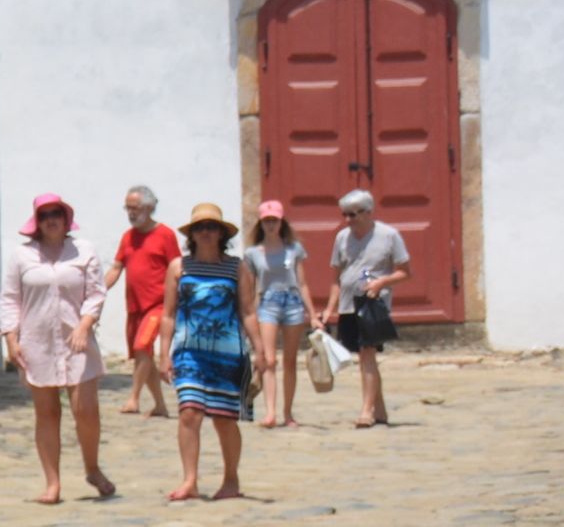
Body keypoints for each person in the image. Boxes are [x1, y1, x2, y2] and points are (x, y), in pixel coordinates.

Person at [0, 192, 114, 504]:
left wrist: (85, 325)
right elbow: (10, 299)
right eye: (45, 215)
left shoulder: (83, 251)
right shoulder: (22, 257)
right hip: (37, 343)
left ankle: (92, 467)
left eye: (56, 214)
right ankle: (52, 483)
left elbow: (96, 293)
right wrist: (11, 338)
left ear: (66, 220)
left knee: (85, 410)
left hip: (77, 339)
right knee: (47, 412)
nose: (51, 220)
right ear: (36, 222)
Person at [162, 203, 253, 500]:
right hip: (188, 352)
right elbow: (168, 313)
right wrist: (164, 353)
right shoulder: (179, 267)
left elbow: (248, 311)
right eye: (200, 227)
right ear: (192, 234)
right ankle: (190, 480)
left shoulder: (236, 267)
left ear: (221, 233)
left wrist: (263, 351)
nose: (205, 232)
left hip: (228, 354)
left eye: (211, 227)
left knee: (225, 419)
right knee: (189, 412)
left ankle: (231, 479)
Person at [322, 188, 411, 428]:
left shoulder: (389, 235)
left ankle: (366, 410)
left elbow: (405, 271)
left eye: (354, 214)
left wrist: (382, 282)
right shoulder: (342, 238)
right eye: (345, 215)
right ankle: (380, 410)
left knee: (368, 354)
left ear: (368, 212)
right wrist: (329, 309)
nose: (349, 220)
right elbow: (335, 276)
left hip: (373, 303)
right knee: (363, 356)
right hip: (348, 304)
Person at [113, 187, 183, 420]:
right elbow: (116, 268)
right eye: (128, 208)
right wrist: (97, 289)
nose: (131, 213)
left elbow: (177, 267)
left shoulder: (165, 235)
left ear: (150, 208)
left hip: (158, 304)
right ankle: (160, 405)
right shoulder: (127, 237)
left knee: (143, 346)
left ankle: (133, 398)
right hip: (135, 306)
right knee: (142, 355)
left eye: (135, 208)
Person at [243, 201, 312, 429]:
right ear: (261, 223)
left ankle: (288, 413)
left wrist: (312, 312)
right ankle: (270, 412)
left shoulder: (294, 249)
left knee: (290, 361)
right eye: (267, 221)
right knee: (269, 360)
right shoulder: (253, 253)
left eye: (274, 220)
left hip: (292, 302)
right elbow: (250, 287)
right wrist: (248, 314)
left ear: (281, 222)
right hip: (267, 303)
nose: (271, 225)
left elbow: (302, 283)